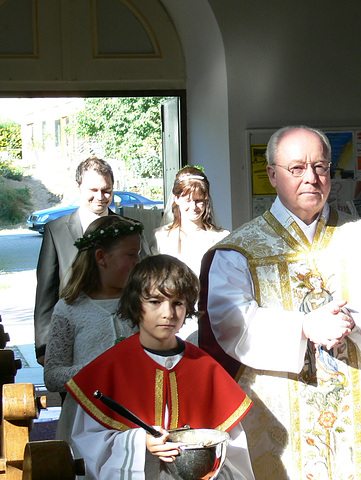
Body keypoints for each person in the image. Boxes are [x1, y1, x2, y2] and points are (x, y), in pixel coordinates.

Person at [203, 125, 361, 479]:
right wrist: (305, 326)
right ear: (272, 175)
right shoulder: (239, 250)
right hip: (277, 408)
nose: (311, 178)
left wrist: (352, 321)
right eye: (297, 168)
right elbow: (232, 320)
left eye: (321, 167)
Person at [66, 254, 255, 480]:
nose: (168, 314)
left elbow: (233, 451)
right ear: (136, 305)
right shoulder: (109, 369)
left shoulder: (206, 370)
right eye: (155, 302)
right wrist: (138, 443)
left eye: (178, 303)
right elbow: (87, 445)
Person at [44, 215, 143, 452]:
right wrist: (99, 368)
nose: (138, 262)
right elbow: (53, 375)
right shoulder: (70, 308)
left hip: (136, 414)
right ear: (101, 257)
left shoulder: (142, 302)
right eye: (131, 255)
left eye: (139, 253)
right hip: (86, 419)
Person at [35, 157, 116, 364]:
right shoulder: (56, 230)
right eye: (93, 190)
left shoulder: (130, 229)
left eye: (106, 190)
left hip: (117, 337)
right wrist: (43, 346)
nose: (100, 196)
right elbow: (46, 291)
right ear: (79, 187)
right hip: (71, 338)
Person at [154, 166, 229, 342]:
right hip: (169, 315)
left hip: (206, 315)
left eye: (199, 200)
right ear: (177, 199)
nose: (194, 207)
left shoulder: (221, 238)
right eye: (188, 200)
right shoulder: (159, 237)